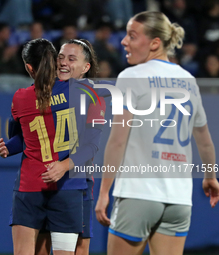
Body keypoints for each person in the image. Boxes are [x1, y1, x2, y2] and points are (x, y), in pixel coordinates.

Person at [94, 11, 219, 255]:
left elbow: (118, 141)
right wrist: (210, 177)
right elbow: (204, 141)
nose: (123, 41)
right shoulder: (188, 80)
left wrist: (104, 192)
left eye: (132, 36)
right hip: (179, 200)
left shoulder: (131, 76)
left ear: (154, 43)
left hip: (137, 194)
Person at [0, 39, 109, 255]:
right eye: (61, 57)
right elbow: (29, 137)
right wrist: (10, 147)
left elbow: (21, 134)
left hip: (68, 181)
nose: (64, 63)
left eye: (71, 59)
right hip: (67, 185)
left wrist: (64, 165)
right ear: (52, 60)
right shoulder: (89, 93)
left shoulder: (21, 96)